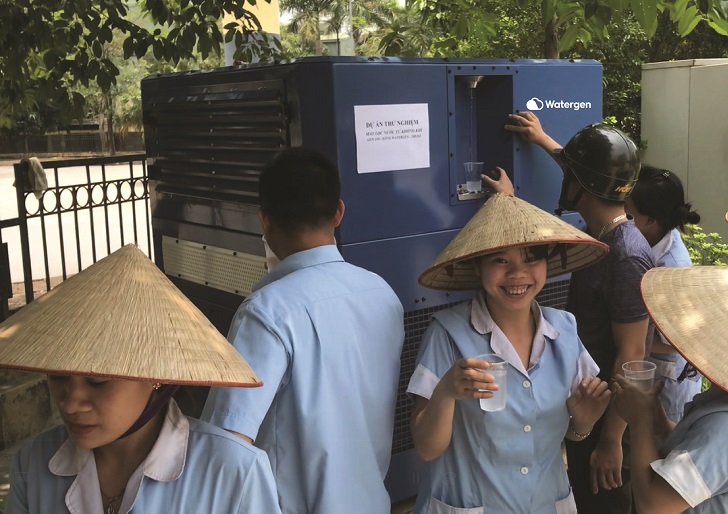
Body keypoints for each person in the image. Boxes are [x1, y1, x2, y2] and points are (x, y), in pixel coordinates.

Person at [0, 244, 282, 514]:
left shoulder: (234, 472)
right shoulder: (34, 463)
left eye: (98, 381)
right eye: (58, 377)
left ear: (154, 377)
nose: (71, 403)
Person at [202, 147, 405, 514]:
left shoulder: (266, 312)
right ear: (339, 212)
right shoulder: (382, 293)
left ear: (264, 220)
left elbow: (226, 444)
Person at [408, 192, 612, 513]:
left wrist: (583, 423)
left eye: (532, 258)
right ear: (477, 267)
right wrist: (446, 392)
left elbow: (570, 432)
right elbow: (427, 448)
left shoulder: (565, 331)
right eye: (501, 260)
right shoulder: (447, 334)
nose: (518, 274)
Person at [503, 112, 654, 514]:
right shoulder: (604, 234)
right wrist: (541, 139)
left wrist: (609, 442)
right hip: (589, 407)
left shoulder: (625, 256)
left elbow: (633, 357)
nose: (562, 180)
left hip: (608, 423)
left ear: (582, 186)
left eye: (569, 174)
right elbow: (584, 172)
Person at [612, 265, 728, 513]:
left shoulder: (722, 428)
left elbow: (654, 506)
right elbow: (695, 451)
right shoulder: (720, 398)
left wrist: (641, 421)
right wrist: (659, 423)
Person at [625, 166, 703, 422]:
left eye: (628, 214)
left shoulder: (671, 272)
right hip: (655, 375)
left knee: (658, 453)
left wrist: (626, 338)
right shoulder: (656, 235)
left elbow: (678, 346)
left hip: (668, 385)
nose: (621, 219)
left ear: (650, 221)